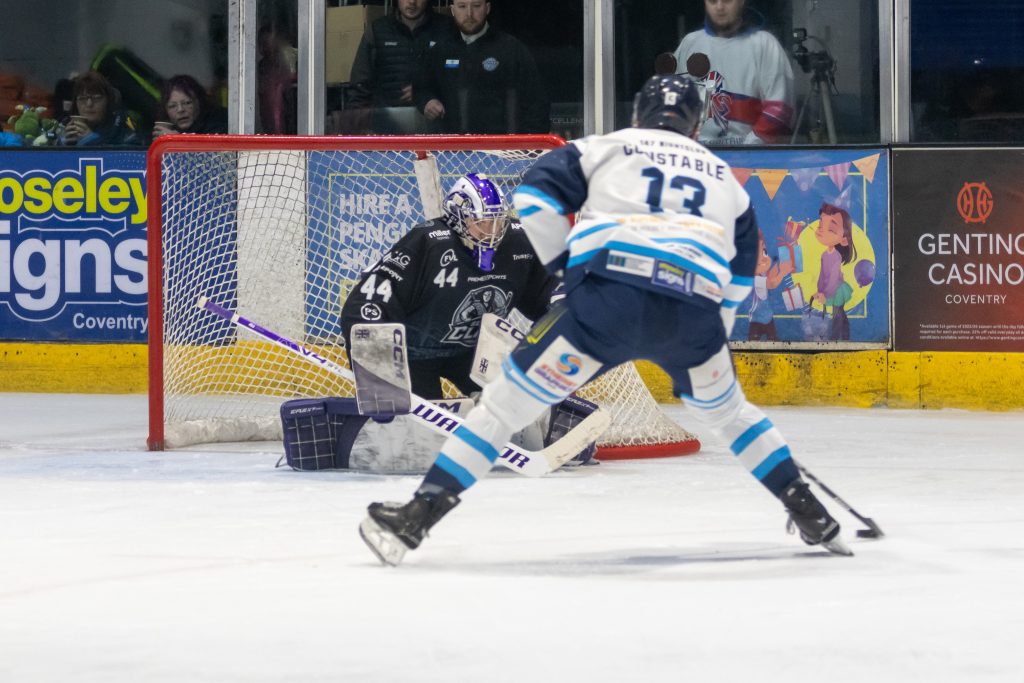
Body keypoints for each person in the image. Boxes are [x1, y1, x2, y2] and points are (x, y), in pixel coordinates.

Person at [358, 73, 850, 566]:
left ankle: (416, 519)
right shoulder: (726, 179)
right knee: (733, 417)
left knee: (502, 411)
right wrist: (706, 342)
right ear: (697, 127)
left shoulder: (607, 147)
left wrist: (565, 269)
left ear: (637, 116)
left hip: (603, 307)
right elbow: (740, 279)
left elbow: (531, 198)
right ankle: (810, 512)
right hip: (692, 317)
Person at [340, 173, 560, 400]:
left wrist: (562, 310)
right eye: (481, 222)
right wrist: (381, 379)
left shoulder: (519, 241)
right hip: (413, 354)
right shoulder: (429, 242)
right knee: (418, 429)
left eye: (498, 220)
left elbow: (545, 295)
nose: (492, 231)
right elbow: (366, 306)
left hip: (474, 352)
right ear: (458, 217)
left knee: (517, 401)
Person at [413, 0, 550, 134]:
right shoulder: (441, 50)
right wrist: (427, 101)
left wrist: (529, 146)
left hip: (501, 148)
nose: (469, 14)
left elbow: (536, 103)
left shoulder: (511, 49)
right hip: (451, 148)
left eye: (476, 6)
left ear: (487, 8)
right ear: (453, 10)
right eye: (462, 6)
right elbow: (421, 88)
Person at [673, 0, 793, 145]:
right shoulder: (689, 43)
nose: (719, 7)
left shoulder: (765, 45)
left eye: (727, 1)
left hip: (752, 159)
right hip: (700, 158)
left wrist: (746, 150)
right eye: (712, 1)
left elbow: (779, 109)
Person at [347, 0, 454, 116]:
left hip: (437, 121)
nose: (412, 2)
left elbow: (460, 80)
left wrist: (426, 94)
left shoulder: (447, 28)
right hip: (387, 121)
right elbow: (360, 85)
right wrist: (359, 122)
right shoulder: (377, 30)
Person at [60, 71, 142, 146]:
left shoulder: (122, 124)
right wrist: (62, 143)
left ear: (108, 101)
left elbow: (130, 157)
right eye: (82, 98)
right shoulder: (66, 124)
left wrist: (91, 139)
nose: (89, 104)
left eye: (96, 98)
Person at [151, 74, 228, 138]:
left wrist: (176, 140)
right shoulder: (169, 129)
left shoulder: (218, 123)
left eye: (187, 103)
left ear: (199, 102)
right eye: (172, 106)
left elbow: (212, 154)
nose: (180, 110)